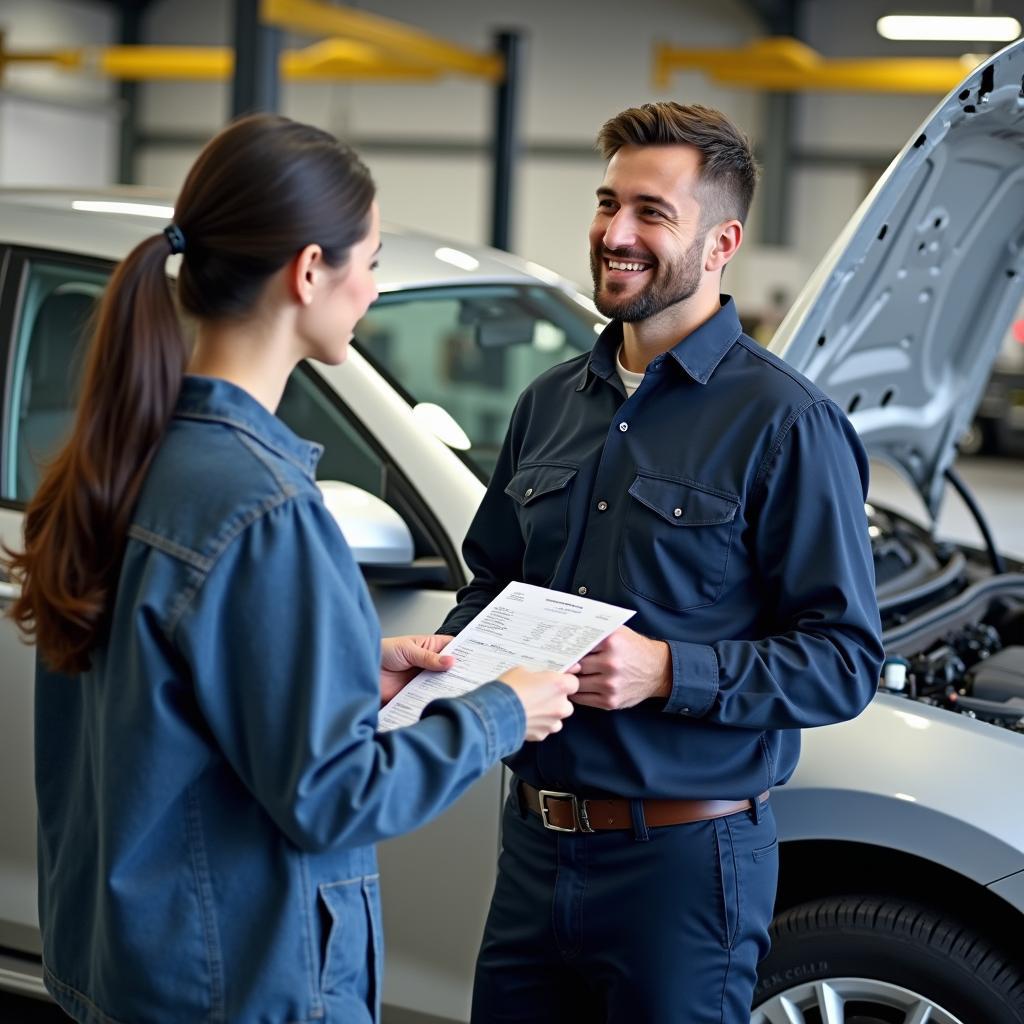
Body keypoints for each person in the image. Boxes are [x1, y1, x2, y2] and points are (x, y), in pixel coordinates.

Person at [2, 114, 578, 1024]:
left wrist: (354, 666)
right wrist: (505, 711)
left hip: (125, 971)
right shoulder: (263, 508)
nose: (373, 289)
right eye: (373, 260)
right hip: (234, 987)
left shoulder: (123, 461)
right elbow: (332, 798)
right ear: (310, 271)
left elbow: (171, 700)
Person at [438, 102, 885, 1023]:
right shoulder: (550, 402)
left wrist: (666, 670)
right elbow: (489, 582)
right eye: (609, 203)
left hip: (683, 870)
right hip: (532, 846)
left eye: (651, 213)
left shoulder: (786, 423)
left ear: (721, 241)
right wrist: (454, 660)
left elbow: (844, 661)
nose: (615, 233)